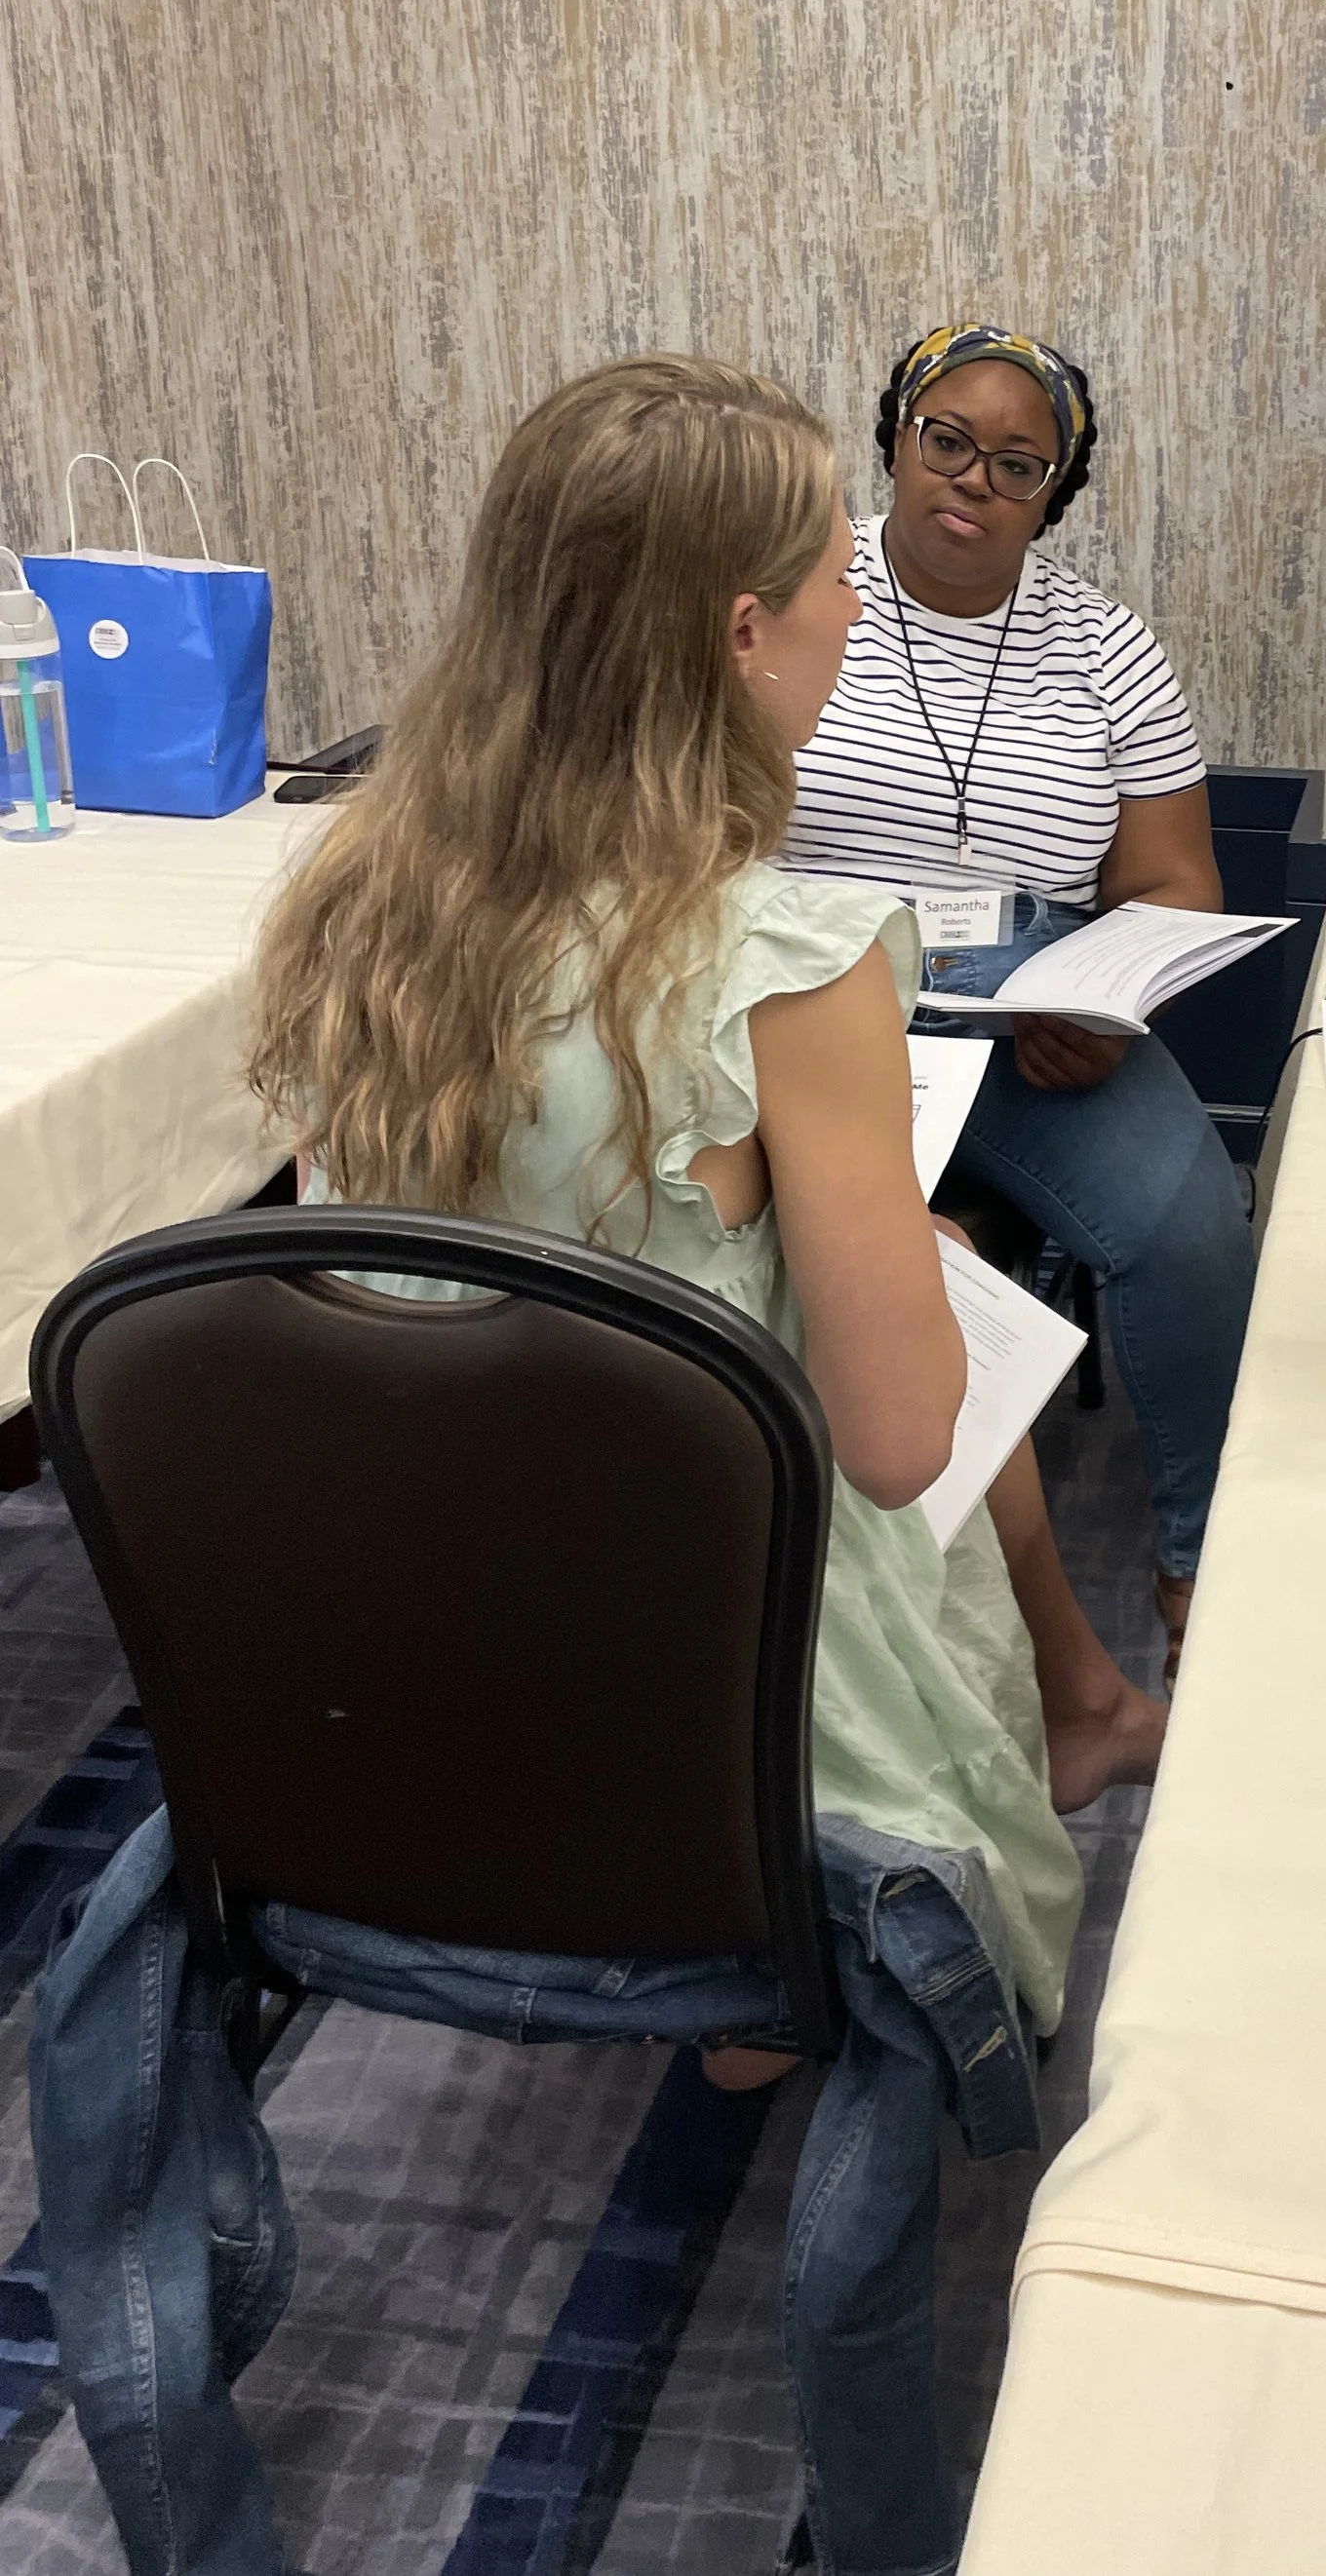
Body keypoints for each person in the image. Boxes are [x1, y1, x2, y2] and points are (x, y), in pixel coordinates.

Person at [35, 359, 1160, 2576]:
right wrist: (887, 1245)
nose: (863, 604)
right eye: (837, 574)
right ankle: (885, 1904)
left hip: (388, 1658)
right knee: (941, 1358)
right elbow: (902, 1431)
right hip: (717, 1681)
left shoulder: (360, 907)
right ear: (740, 637)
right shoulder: (791, 961)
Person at [783, 322, 1254, 1679]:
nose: (974, 479)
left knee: (1192, 1219)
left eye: (1018, 462)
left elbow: (1176, 883)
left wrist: (1096, 1001)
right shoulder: (804, 593)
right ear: (893, 436)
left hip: (1032, 1002)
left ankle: (1195, 1552)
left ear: (1053, 492)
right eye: (947, 440)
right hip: (807, 982)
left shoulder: (1106, 648)